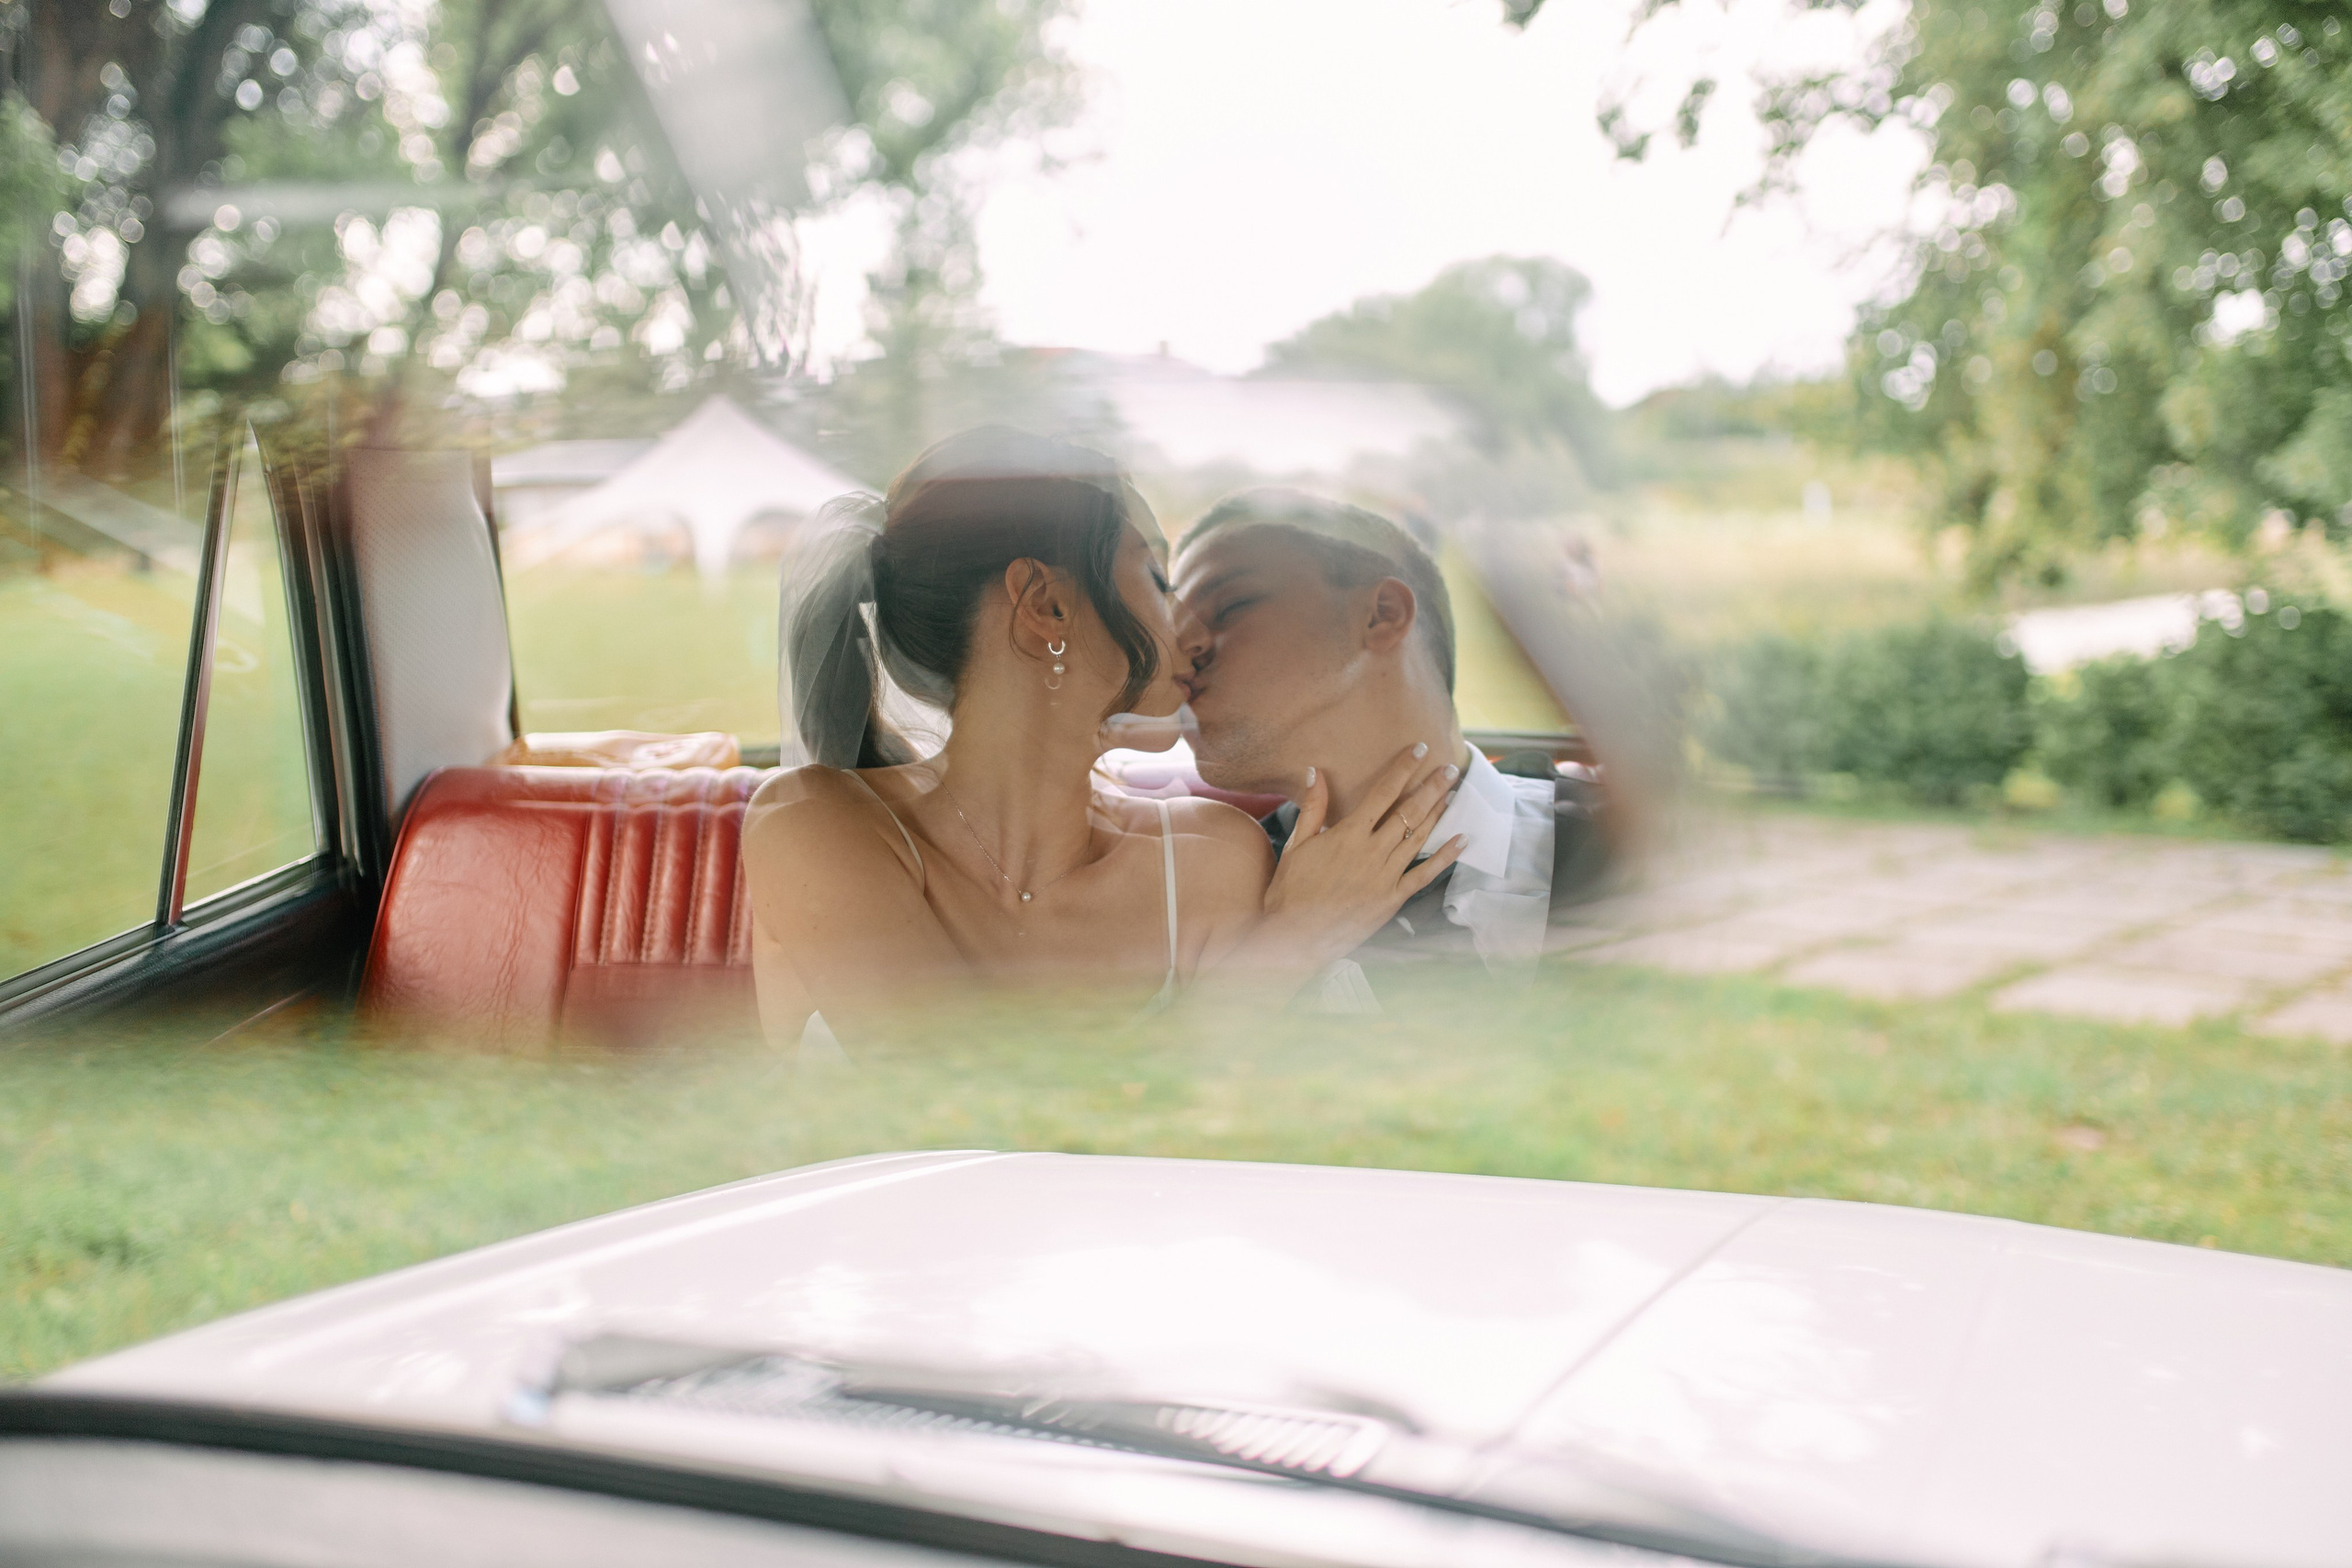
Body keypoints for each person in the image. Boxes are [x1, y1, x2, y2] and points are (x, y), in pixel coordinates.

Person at [740, 430, 1465, 1052]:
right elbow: (958, 1116)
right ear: (1048, 604)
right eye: (1156, 574)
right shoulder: (814, 826)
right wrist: (1288, 944)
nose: (1189, 628)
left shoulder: (1214, 858)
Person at [1171, 488, 1610, 982]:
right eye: (1169, 630)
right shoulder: (1197, 896)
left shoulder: (1623, 841)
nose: (1179, 651)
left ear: (1383, 614)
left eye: (1230, 606)